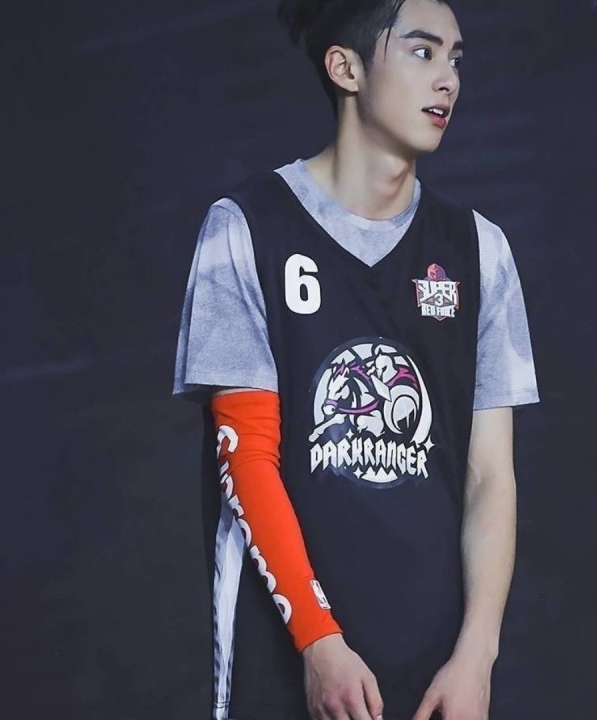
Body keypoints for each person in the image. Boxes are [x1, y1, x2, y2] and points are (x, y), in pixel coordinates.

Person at [173, 0, 539, 718]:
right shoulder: (245, 229)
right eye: (422, 52)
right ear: (345, 68)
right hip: (295, 655)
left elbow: (491, 475)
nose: (448, 79)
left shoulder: (479, 250)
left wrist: (476, 656)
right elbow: (247, 457)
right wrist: (319, 642)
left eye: (456, 59)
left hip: (436, 667)